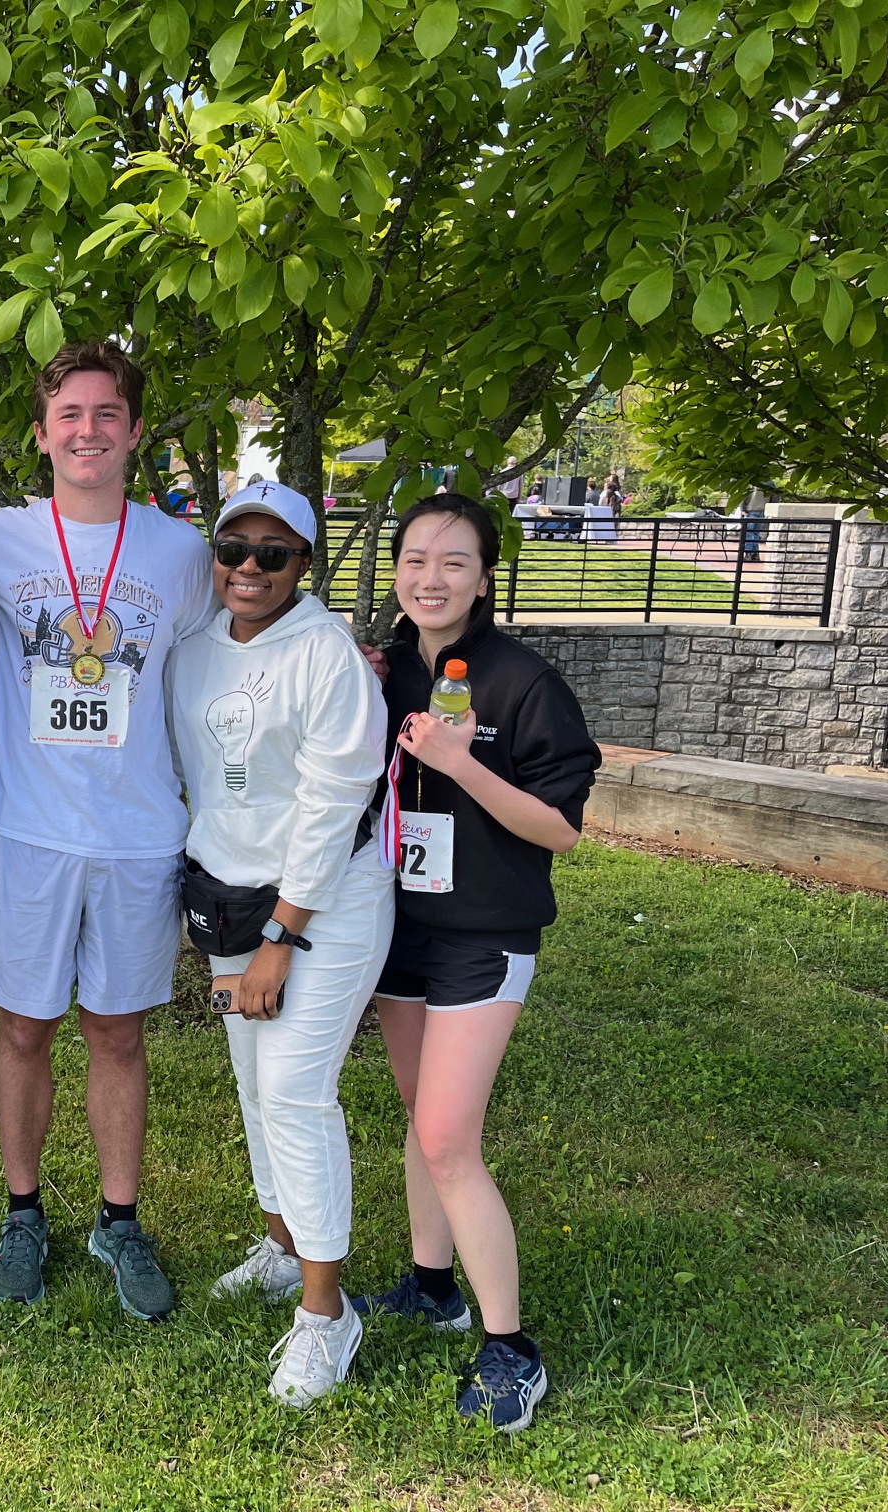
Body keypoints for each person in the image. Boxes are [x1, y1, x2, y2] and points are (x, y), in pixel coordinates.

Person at [0, 341, 213, 1321]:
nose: (88, 430)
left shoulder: (183, 554)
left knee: (118, 1033)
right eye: (70, 414)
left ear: (135, 432)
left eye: (108, 414)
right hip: (26, 830)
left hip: (141, 833)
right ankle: (23, 1212)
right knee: (21, 1026)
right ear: (43, 431)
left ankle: (118, 1218)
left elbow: (235, 660)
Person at [357, 493, 600, 1434]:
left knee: (451, 1136)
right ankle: (430, 1286)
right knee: (422, 1123)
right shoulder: (386, 674)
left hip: (482, 935)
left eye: (454, 561)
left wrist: (463, 767)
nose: (431, 577)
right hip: (396, 926)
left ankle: (512, 1348)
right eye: (415, 558)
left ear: (487, 576)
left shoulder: (524, 684)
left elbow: (561, 832)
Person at [167, 481, 392, 1405]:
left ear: (306, 563)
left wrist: (280, 940)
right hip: (229, 900)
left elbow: (334, 803)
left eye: (275, 552)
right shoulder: (192, 650)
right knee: (253, 1088)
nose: (250, 568)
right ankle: (280, 1243)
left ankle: (326, 1314)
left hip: (318, 907)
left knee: (296, 1092)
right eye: (235, 547)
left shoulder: (329, 657)